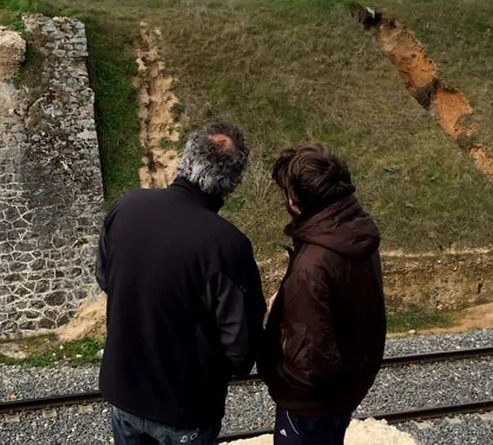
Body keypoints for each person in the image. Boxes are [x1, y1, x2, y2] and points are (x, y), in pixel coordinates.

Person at [96, 122, 267, 445]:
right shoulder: (226, 245)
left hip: (123, 389)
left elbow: (106, 278)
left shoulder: (127, 206)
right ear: (232, 182)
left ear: (185, 159)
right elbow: (240, 348)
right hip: (184, 407)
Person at [259, 143, 386, 445]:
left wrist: (285, 319)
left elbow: (310, 364)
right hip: (349, 385)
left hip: (310, 406)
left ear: (296, 201)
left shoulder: (312, 265)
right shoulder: (355, 230)